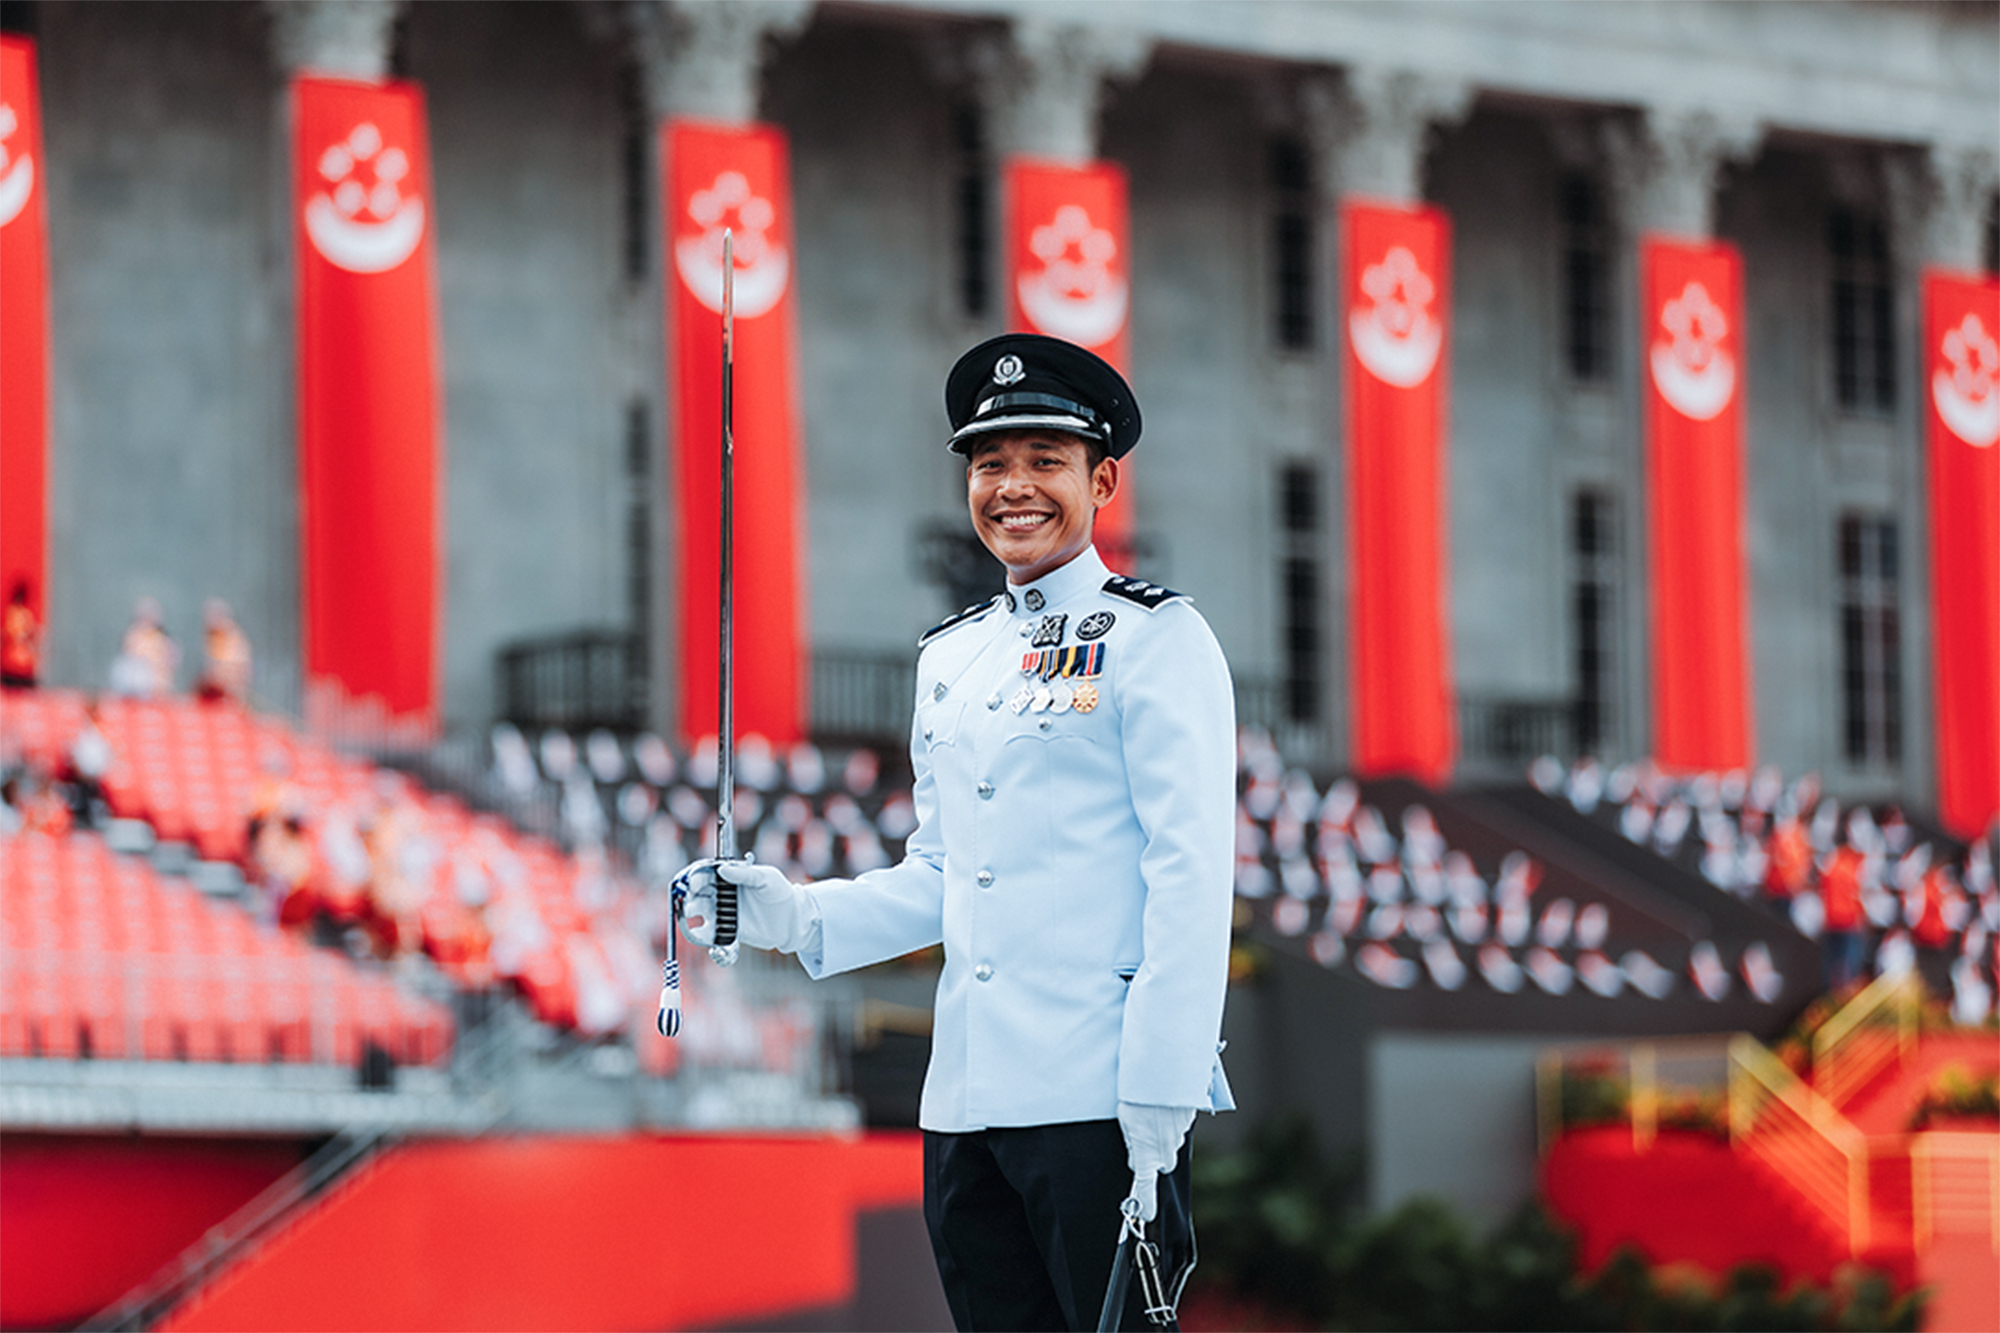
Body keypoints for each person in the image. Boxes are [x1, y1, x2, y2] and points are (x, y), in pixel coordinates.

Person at [669, 333, 1235, 1331]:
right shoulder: (950, 656)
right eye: (989, 464)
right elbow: (942, 873)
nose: (1012, 487)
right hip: (965, 1104)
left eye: (1042, 461)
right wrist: (795, 916)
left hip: (1098, 1100)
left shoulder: (1156, 639)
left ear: (1101, 479)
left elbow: (1190, 879)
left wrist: (1159, 1093)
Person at [198, 598, 252, 703]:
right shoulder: (212, 636)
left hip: (231, 688)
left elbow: (237, 667)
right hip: (214, 687)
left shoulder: (233, 637)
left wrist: (219, 673)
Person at [1, 581, 39, 689]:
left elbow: (29, 634)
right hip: (13, 658)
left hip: (20, 658)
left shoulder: (24, 614)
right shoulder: (12, 613)